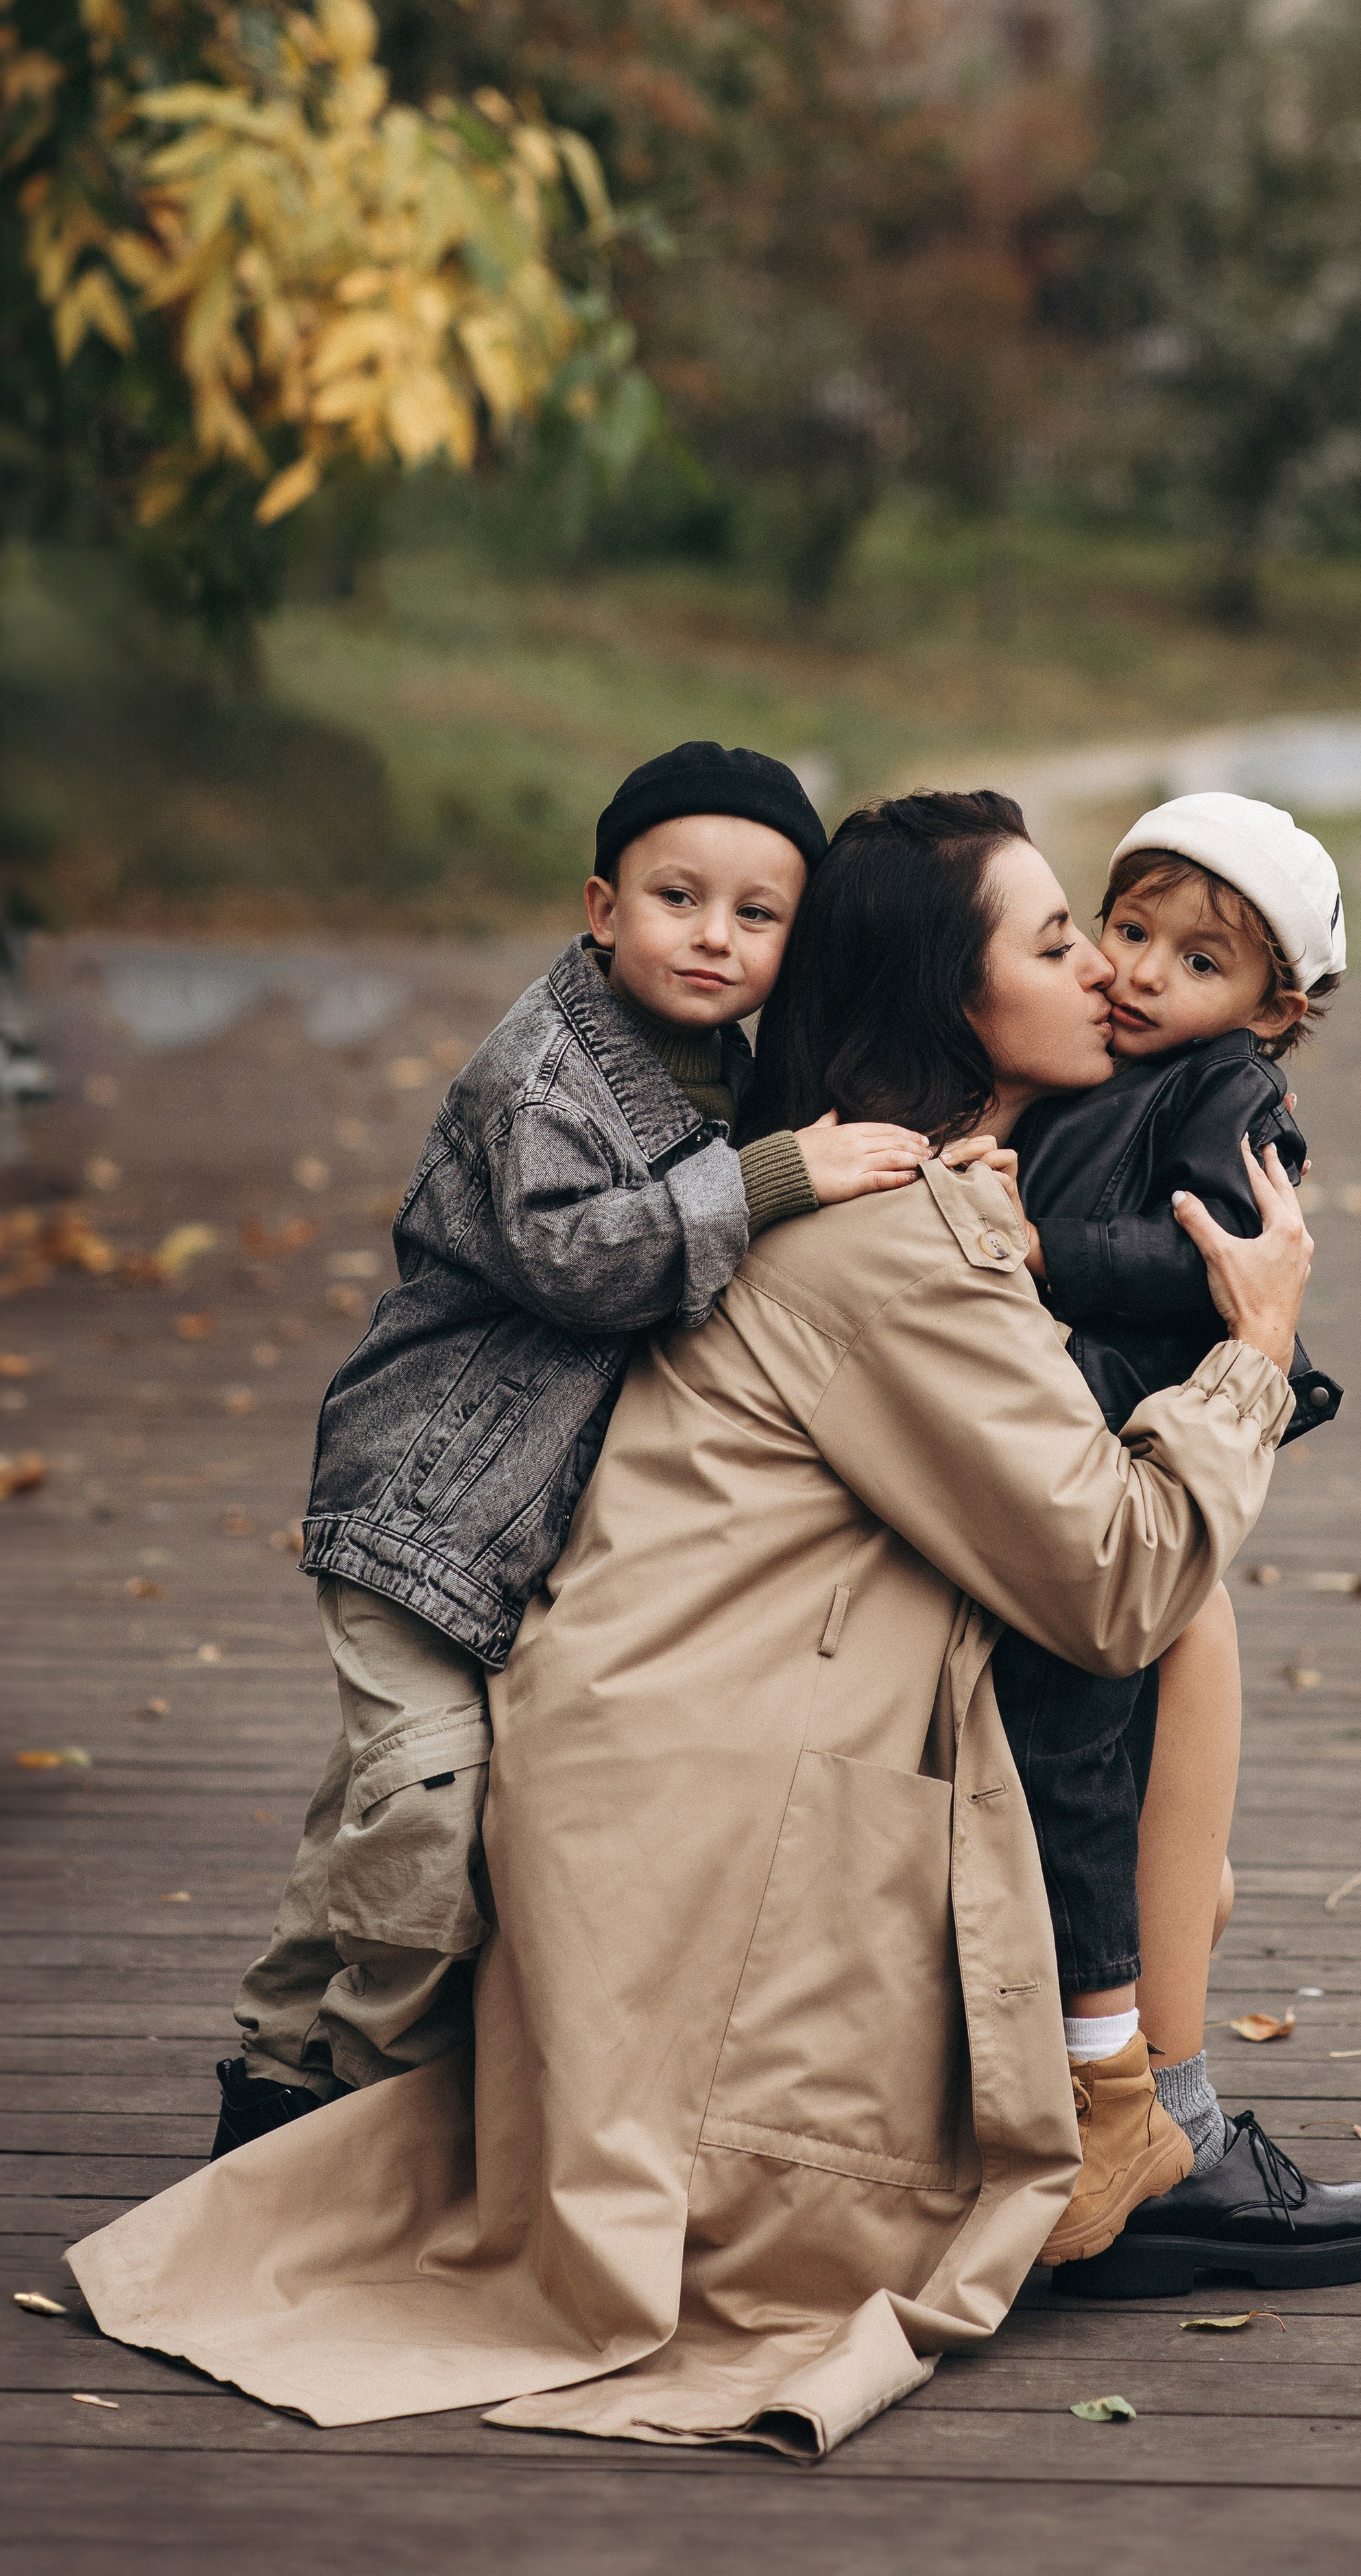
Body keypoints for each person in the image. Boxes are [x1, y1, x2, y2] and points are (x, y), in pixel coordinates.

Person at [69, 789, 1361, 2459]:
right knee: (1163, 1594)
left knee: (1172, 1620)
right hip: (698, 1849)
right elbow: (1111, 1577)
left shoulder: (905, 1194)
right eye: (1063, 938)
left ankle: (1151, 2112)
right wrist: (1256, 1346)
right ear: (949, 999)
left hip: (669, 1764)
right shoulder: (889, 1242)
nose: (1107, 977)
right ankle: (1140, 2128)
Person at [213, 741, 927, 2156]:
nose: (713, 936)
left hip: (511, 1529)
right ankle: (361, 2104)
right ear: (602, 908)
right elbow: (575, 1260)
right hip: (420, 1505)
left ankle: (274, 2074)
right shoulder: (539, 1077)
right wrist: (782, 1176)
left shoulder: (730, 1072)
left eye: (756, 913)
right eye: (678, 896)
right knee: (429, 1817)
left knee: (380, 1801)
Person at [990, 792, 1352, 2271]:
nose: (1138, 973)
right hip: (1077, 1403)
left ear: (1270, 1012)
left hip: (1136, 1400)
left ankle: (1144, 2102)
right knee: (1123, 1763)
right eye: (1125, 930)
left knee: (1112, 1722)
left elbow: (1213, 1253)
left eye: (1191, 963)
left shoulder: (1222, 1097)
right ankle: (1136, 2095)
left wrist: (1041, 1248)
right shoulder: (1092, 1068)